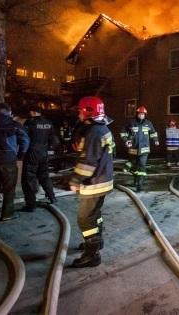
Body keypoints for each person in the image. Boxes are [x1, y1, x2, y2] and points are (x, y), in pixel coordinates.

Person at [69, 96, 114, 268]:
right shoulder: (102, 129)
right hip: (103, 180)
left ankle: (92, 254)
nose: (79, 113)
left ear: (89, 111)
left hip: (93, 183)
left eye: (81, 110)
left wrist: (75, 180)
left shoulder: (94, 133)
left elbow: (88, 162)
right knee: (95, 214)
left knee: (85, 219)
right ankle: (97, 241)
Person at [0, 103, 30, 226]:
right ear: (9, 112)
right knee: (9, 189)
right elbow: (25, 140)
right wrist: (20, 155)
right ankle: (7, 215)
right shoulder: (15, 125)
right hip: (8, 160)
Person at [20, 106, 59, 212]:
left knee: (29, 179)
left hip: (32, 153)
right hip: (44, 153)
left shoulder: (30, 122)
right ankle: (52, 197)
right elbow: (53, 139)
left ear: (33, 112)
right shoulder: (49, 122)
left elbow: (23, 137)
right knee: (44, 175)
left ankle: (31, 205)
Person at [119, 106, 159, 192]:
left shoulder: (148, 123)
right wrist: (126, 140)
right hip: (133, 149)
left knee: (141, 165)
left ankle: (139, 184)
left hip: (144, 149)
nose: (141, 116)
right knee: (134, 166)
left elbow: (153, 133)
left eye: (143, 114)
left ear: (145, 115)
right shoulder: (132, 123)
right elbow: (123, 132)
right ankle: (135, 180)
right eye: (140, 114)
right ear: (137, 114)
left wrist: (155, 140)